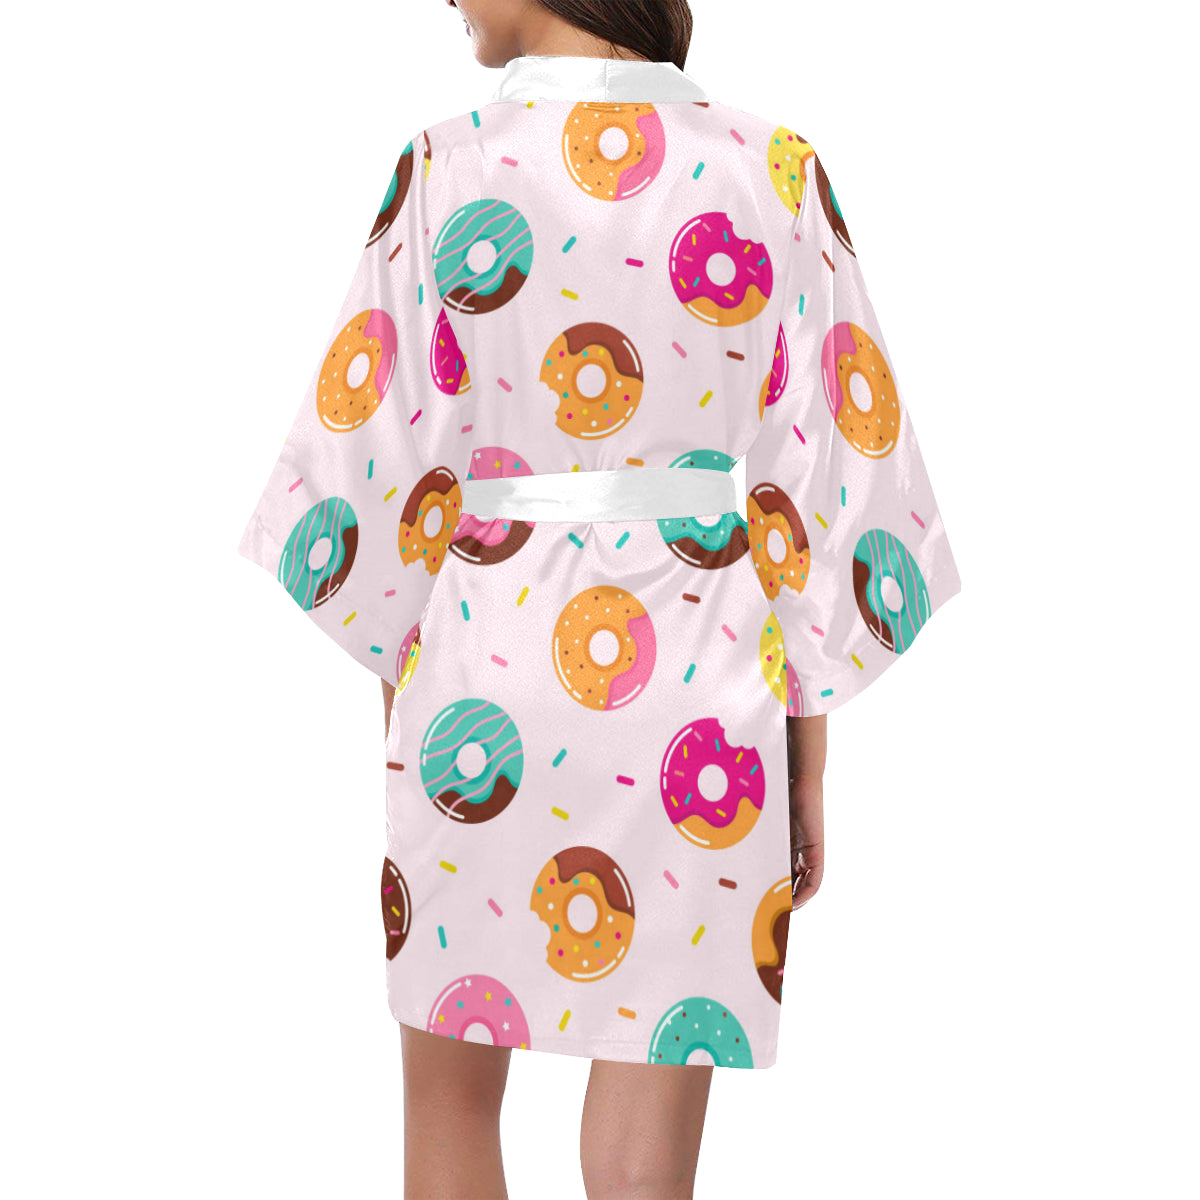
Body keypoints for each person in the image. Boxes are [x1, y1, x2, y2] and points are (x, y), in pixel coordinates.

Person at [236, 0, 962, 1194]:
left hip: (481, 690)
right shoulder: (774, 168)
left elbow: (371, 479)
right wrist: (807, 759)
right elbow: (828, 479)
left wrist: (406, 723)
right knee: (645, 1169)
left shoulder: (443, 168)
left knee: (448, 1107)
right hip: (700, 706)